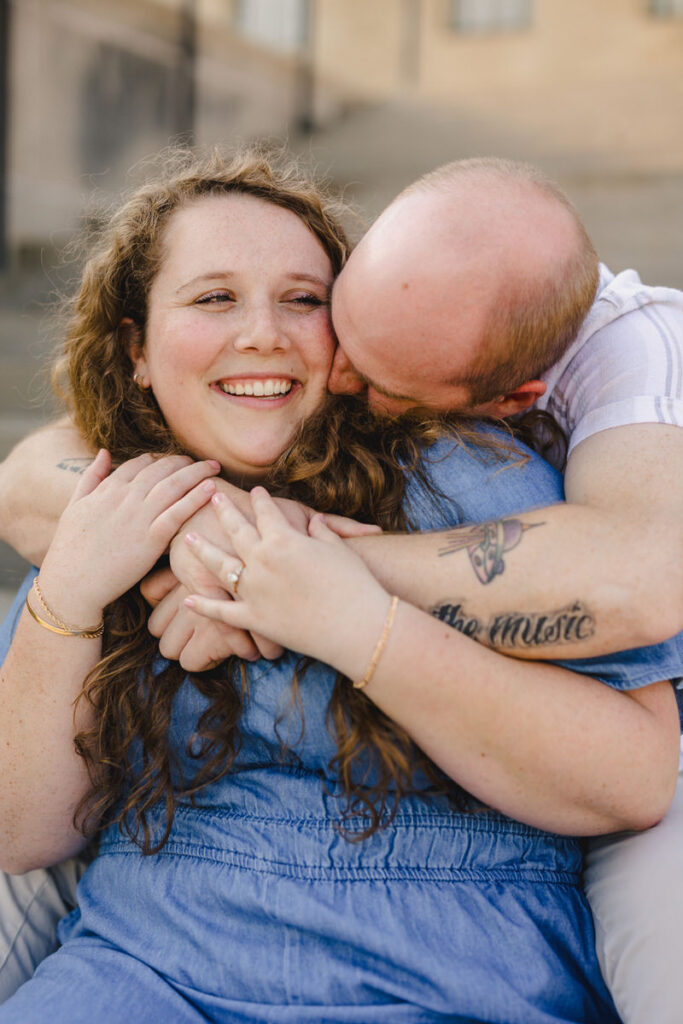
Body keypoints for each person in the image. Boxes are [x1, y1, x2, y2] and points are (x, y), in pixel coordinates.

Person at [0, 147, 679, 1022]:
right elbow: (21, 831)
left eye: (302, 300)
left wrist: (348, 616)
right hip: (148, 962)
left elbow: (631, 775)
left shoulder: (475, 480)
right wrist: (71, 593)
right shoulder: (104, 509)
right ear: (136, 349)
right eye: (213, 298)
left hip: (442, 971)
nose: (262, 333)